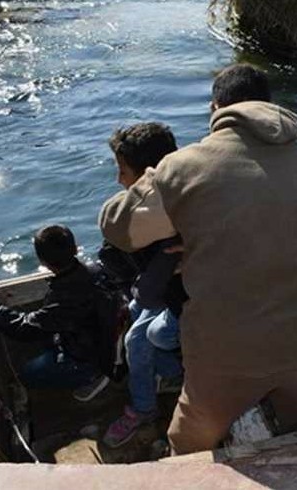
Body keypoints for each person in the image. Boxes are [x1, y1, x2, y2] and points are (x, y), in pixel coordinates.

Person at [100, 63, 297, 454]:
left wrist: (162, 183)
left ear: (215, 107)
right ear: (270, 106)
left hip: (230, 355)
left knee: (187, 444)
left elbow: (118, 228)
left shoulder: (185, 167)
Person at [98, 122, 186, 448]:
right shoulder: (185, 193)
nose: (118, 179)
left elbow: (150, 290)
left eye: (123, 171)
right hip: (173, 293)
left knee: (140, 339)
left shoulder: (162, 219)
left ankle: (146, 407)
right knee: (136, 317)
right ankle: (167, 378)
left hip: (190, 299)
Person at [0, 225, 109, 399]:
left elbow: (26, 329)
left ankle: (94, 377)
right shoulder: (98, 271)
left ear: (42, 261)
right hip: (102, 340)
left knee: (27, 375)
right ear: (76, 248)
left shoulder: (63, 298)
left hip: (88, 358)